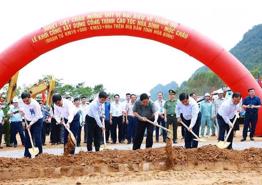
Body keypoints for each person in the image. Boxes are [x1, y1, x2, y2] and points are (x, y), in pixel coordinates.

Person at [20, 92, 43, 158]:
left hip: (37, 121)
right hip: (28, 120)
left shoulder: (35, 104)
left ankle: (39, 155)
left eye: (27, 101)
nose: (26, 102)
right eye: (24, 101)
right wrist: (21, 113)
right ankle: (27, 155)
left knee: (37, 137)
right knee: (27, 138)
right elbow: (22, 110)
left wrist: (30, 124)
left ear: (30, 97)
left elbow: (37, 116)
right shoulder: (22, 103)